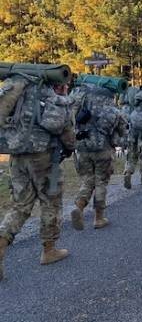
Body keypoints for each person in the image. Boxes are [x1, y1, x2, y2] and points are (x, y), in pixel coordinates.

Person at [0, 76, 76, 280]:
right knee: (50, 202)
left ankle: (1, 243)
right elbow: (67, 132)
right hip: (44, 158)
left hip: (16, 156)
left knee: (20, 205)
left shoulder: (20, 96)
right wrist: (70, 147)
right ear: (57, 83)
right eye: (65, 84)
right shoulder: (53, 99)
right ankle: (49, 250)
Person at [70, 81, 127, 230]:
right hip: (103, 150)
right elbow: (123, 132)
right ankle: (98, 218)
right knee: (101, 182)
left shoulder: (82, 107)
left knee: (88, 181)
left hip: (83, 148)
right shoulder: (113, 111)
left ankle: (79, 206)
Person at [121, 87, 142, 189]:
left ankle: (128, 172)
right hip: (141, 134)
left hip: (130, 134)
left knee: (131, 155)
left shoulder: (125, 108)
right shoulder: (141, 107)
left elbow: (122, 124)